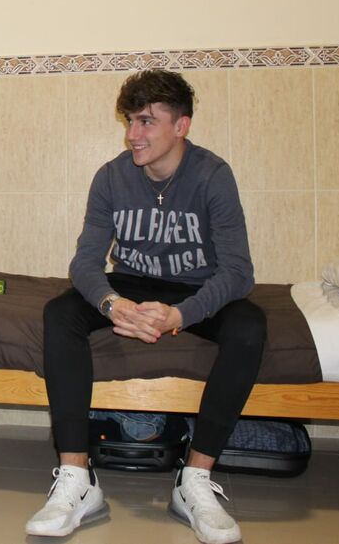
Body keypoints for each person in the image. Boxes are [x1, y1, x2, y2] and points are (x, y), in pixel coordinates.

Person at [25, 69, 266, 544]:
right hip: (129, 284)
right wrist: (111, 304)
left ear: (181, 126)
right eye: (130, 121)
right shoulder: (111, 177)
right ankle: (77, 476)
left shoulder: (213, 175)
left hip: (195, 288)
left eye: (146, 122)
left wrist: (181, 315)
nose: (133, 134)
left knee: (249, 325)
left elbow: (239, 272)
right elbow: (85, 263)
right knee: (60, 313)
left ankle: (195, 478)